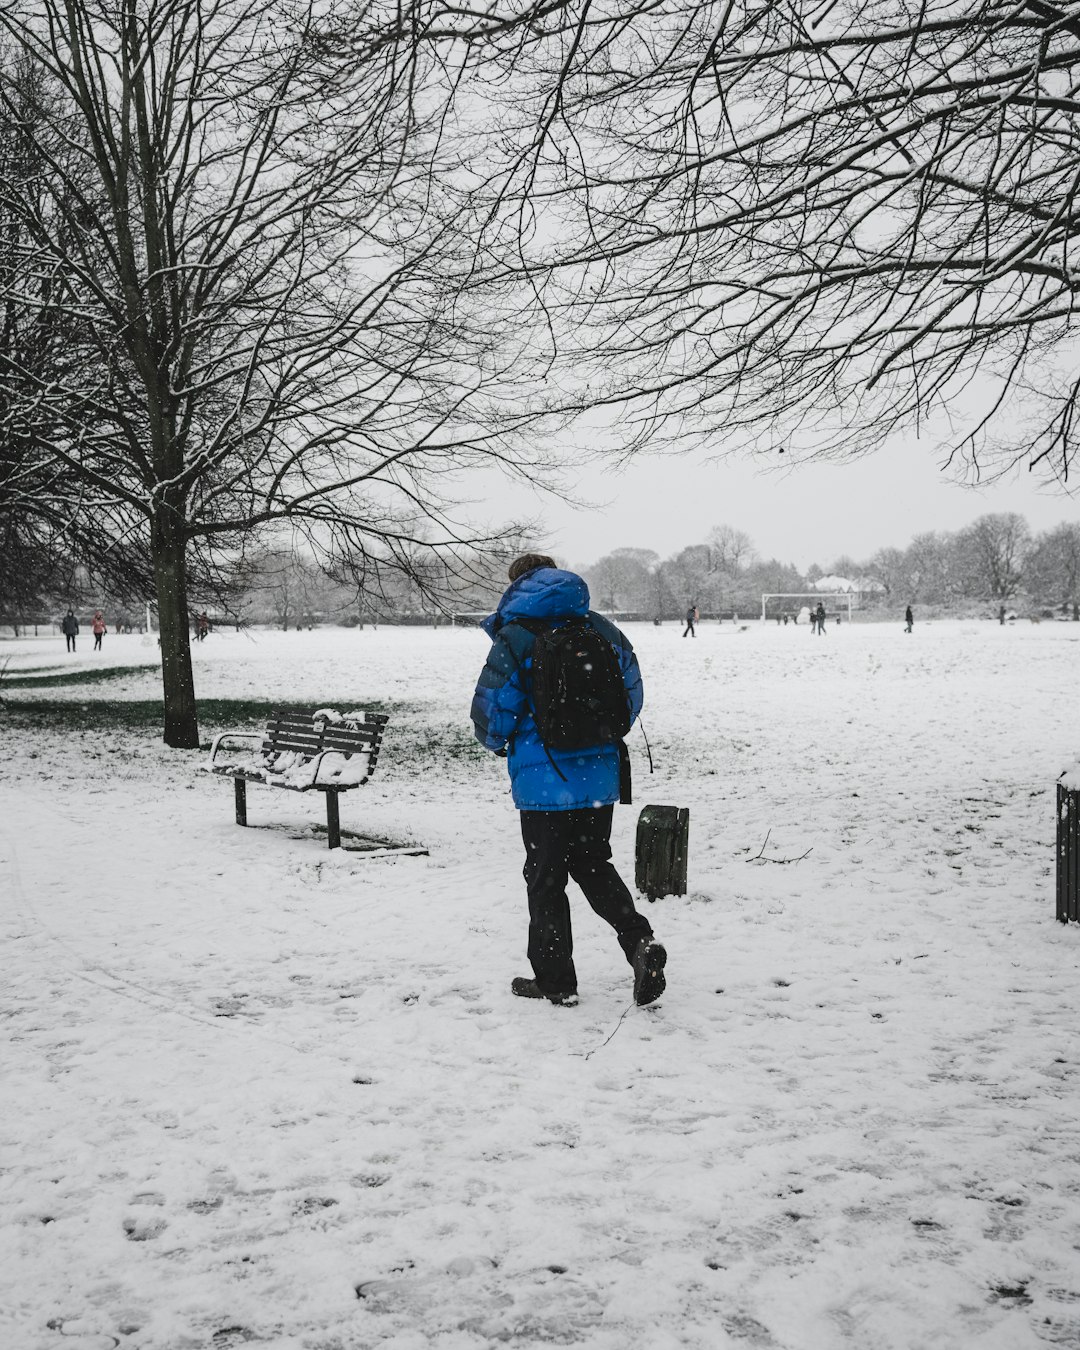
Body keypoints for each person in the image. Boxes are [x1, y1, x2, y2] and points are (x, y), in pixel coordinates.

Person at [471, 553, 667, 1008]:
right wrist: (598, 734)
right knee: (594, 864)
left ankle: (556, 982)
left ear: (517, 585)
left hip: (543, 784)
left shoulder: (516, 636)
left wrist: (499, 742)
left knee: (545, 879)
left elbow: (493, 708)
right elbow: (632, 692)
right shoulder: (599, 628)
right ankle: (639, 942)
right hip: (598, 777)